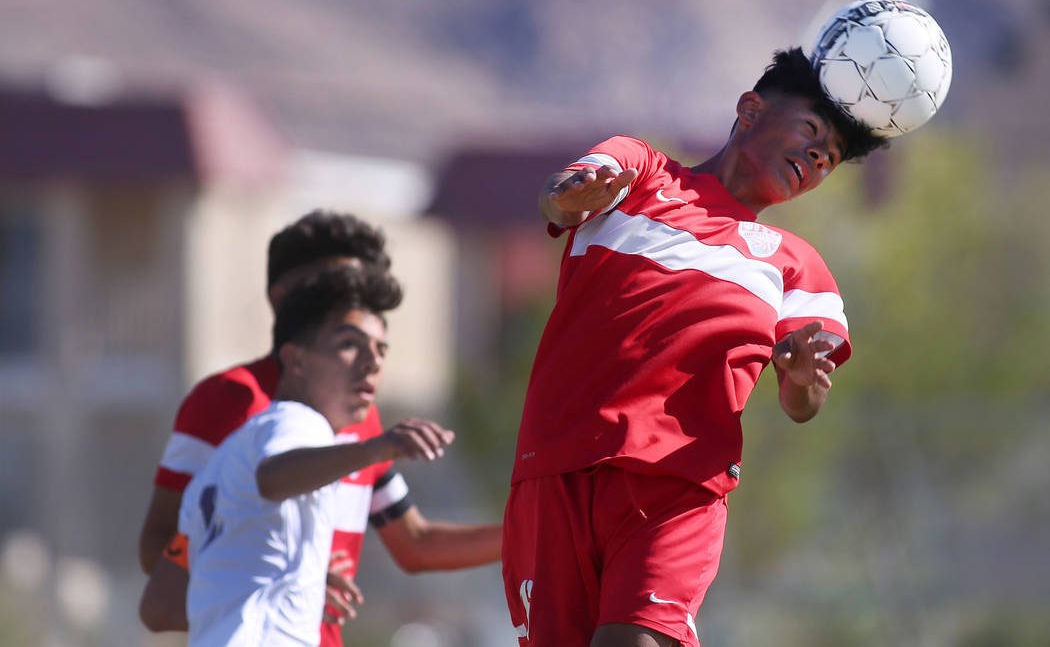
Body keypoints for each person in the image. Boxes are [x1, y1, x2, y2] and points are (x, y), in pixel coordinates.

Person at [501, 48, 888, 647]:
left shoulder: (794, 264)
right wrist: (570, 196)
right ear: (751, 110)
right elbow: (561, 197)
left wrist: (805, 376)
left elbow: (801, 401)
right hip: (554, 467)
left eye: (829, 158)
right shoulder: (645, 173)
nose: (817, 158)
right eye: (812, 132)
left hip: (677, 485)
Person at [138, 211, 501, 638]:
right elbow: (162, 549)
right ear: (283, 299)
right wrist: (272, 577)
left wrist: (537, 531)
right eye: (334, 291)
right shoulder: (237, 400)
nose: (355, 302)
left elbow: (416, 543)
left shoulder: (360, 418)